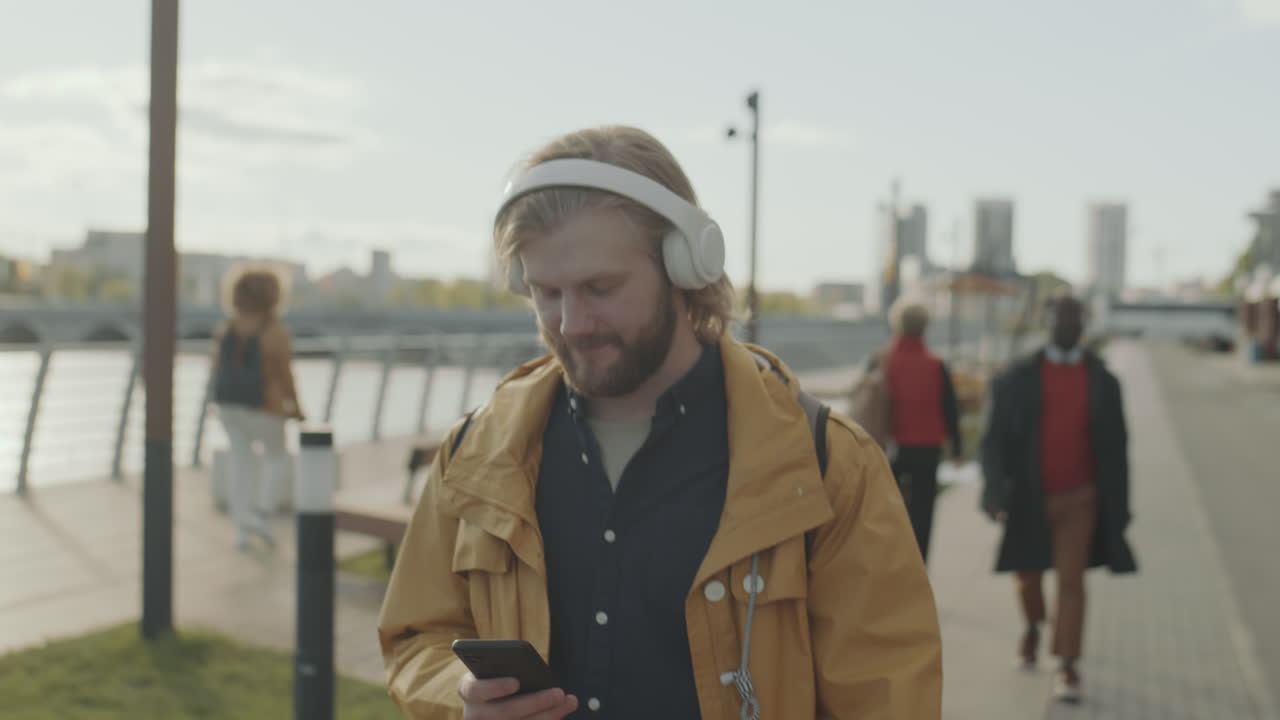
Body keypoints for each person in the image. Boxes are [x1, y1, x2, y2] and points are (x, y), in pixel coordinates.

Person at [377, 126, 942, 719]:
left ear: (685, 266)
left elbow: (889, 695)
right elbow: (418, 636)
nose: (571, 324)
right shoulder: (475, 452)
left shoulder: (827, 465)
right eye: (546, 292)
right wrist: (459, 698)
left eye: (601, 287)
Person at [979, 293, 1137, 704]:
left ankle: (1068, 664)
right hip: (1028, 497)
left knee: (1072, 581)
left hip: (1081, 497)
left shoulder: (1103, 381)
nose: (1066, 326)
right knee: (1027, 576)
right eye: (1058, 320)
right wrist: (994, 491)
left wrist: (1120, 507)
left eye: (1073, 320)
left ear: (1082, 325)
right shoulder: (1017, 377)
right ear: (1047, 324)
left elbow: (1119, 448)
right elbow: (992, 440)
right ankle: (1032, 627)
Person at [211, 265, 305, 551]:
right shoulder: (274, 330)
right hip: (265, 407)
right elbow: (284, 374)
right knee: (279, 458)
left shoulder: (227, 327)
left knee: (242, 463)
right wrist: (296, 408)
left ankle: (241, 528)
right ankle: (262, 512)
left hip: (229, 407)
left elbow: (216, 368)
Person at [880, 299, 963, 564]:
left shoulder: (883, 362)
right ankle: (918, 571)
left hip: (892, 450)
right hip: (928, 450)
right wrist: (958, 450)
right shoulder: (936, 365)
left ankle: (891, 569)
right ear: (925, 327)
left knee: (888, 514)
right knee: (923, 514)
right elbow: (950, 410)